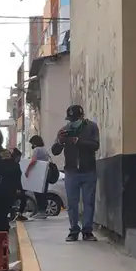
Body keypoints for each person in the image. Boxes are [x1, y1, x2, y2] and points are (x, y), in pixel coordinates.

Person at [51, 104, 101, 242]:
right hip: (71, 171)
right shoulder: (64, 130)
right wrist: (60, 141)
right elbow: (55, 151)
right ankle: (73, 230)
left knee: (88, 202)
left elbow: (95, 145)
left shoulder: (91, 127)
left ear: (81, 117)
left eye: (75, 119)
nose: (72, 123)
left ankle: (87, 231)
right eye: (70, 120)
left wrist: (79, 141)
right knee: (72, 203)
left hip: (88, 170)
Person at [24, 135, 52, 219]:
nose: (32, 145)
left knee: (38, 193)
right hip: (45, 174)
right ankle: (43, 211)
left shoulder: (37, 150)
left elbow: (33, 160)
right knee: (44, 193)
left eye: (32, 143)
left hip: (39, 175)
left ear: (35, 142)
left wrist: (27, 170)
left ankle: (41, 212)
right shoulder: (44, 150)